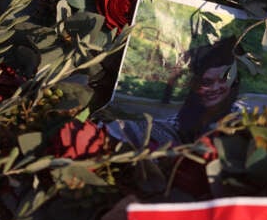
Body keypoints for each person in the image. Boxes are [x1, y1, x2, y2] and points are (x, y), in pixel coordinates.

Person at [106, 36, 248, 147]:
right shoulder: (175, 124)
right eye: (207, 82)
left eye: (224, 79)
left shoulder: (244, 117)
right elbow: (136, 129)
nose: (215, 88)